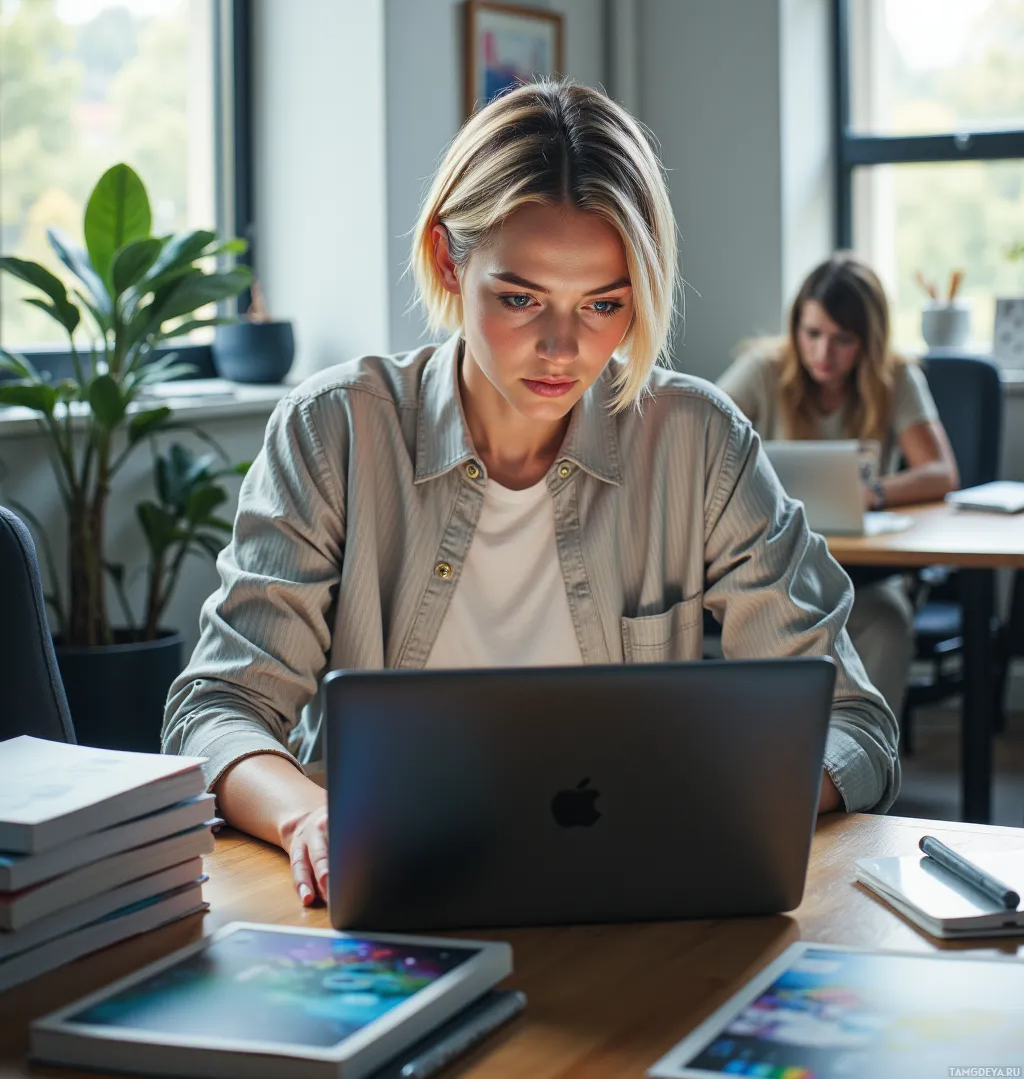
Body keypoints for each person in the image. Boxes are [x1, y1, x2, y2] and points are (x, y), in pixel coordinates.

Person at [163, 83, 898, 908]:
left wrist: (707, 813)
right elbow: (219, 706)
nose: (562, 348)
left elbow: (855, 727)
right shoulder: (333, 431)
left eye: (604, 304)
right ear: (450, 260)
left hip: (630, 906)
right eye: (520, 298)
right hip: (377, 898)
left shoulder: (697, 441)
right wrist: (307, 818)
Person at [717, 254, 959, 719]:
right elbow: (701, 443)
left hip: (866, 576)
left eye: (843, 340)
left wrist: (874, 494)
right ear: (796, 327)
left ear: (868, 342)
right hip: (775, 570)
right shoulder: (763, 369)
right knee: (768, 624)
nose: (823, 354)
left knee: (888, 623)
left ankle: (861, 769)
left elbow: (941, 473)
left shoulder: (896, 377)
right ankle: (783, 764)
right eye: (813, 334)